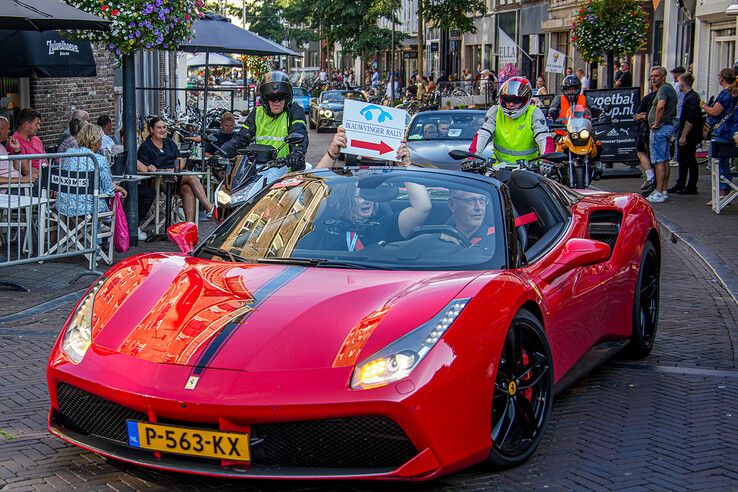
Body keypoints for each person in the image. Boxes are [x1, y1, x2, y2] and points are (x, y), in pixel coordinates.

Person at [308, 128, 430, 251]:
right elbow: (311, 193)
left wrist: (406, 166)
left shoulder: (383, 226)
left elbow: (422, 208)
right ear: (344, 199)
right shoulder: (325, 225)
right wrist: (332, 154)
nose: (367, 200)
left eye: (369, 194)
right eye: (358, 195)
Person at [219, 71, 308, 171]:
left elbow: (299, 132)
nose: (276, 102)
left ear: (287, 97)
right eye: (271, 97)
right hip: (262, 170)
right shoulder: (257, 112)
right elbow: (241, 138)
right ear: (265, 99)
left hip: (288, 171)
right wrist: (221, 153)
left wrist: (297, 153)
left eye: (281, 97)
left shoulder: (295, 111)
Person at [137, 116, 215, 222]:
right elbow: (143, 167)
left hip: (175, 176)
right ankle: (209, 207)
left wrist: (175, 169)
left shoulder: (169, 142)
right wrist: (150, 168)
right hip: (158, 181)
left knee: (187, 189)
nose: (163, 130)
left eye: (164, 127)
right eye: (159, 128)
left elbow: (180, 159)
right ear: (151, 129)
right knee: (190, 176)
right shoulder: (146, 146)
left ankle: (189, 227)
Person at [469, 77, 551, 165]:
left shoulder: (534, 113)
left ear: (526, 99)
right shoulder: (495, 111)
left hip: (529, 171)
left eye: (516, 100)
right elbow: (483, 134)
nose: (511, 104)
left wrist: (547, 161)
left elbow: (543, 137)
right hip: (497, 168)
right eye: (507, 99)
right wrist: (470, 158)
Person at [56, 123, 127, 217]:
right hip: (90, 208)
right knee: (113, 196)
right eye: (101, 139)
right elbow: (108, 188)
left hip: (64, 206)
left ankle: (79, 231)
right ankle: (97, 230)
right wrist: (119, 188)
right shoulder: (99, 160)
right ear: (97, 142)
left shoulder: (68, 154)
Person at [701, 67, 738, 205]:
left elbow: (714, 112)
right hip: (733, 133)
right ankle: (726, 192)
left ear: (721, 78)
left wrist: (703, 105)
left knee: (715, 163)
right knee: (724, 163)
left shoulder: (725, 94)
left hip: (721, 132)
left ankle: (722, 193)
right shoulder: (735, 93)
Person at [645, 66, 678, 203]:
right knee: (665, 160)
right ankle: (663, 190)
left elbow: (660, 106)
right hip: (667, 126)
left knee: (659, 161)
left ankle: (658, 191)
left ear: (663, 77)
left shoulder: (663, 89)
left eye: (656, 76)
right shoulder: (670, 88)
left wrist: (656, 123)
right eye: (652, 76)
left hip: (660, 129)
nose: (653, 78)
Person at [669, 73, 703, 195]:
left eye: (679, 83)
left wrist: (683, 135)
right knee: (683, 158)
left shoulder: (691, 98)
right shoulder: (690, 96)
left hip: (689, 134)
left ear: (682, 84)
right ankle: (682, 183)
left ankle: (691, 185)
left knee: (689, 159)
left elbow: (690, 119)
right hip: (689, 133)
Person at [634, 82, 658, 195]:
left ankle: (651, 177)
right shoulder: (664, 95)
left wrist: (642, 116)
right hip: (656, 129)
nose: (652, 81)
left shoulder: (649, 98)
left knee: (642, 152)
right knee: (658, 159)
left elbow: (638, 115)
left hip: (647, 130)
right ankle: (658, 185)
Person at [0, 117, 35, 192]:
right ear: (1, 132)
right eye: (8, 128)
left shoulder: (2, 147)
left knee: (42, 182)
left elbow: (15, 169)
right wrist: (20, 179)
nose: (9, 131)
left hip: (18, 185)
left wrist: (17, 150)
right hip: (9, 190)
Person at [9, 108, 46, 176]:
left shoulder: (36, 139)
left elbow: (45, 160)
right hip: (33, 182)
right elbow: (26, 170)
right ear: (26, 125)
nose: (39, 127)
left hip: (46, 178)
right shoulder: (15, 142)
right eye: (37, 124)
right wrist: (46, 174)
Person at [670, 66, 687, 166]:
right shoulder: (681, 85)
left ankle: (674, 158)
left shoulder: (677, 86)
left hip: (677, 114)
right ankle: (676, 158)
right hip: (680, 114)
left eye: (675, 73)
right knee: (677, 137)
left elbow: (672, 97)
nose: (673, 75)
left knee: (668, 135)